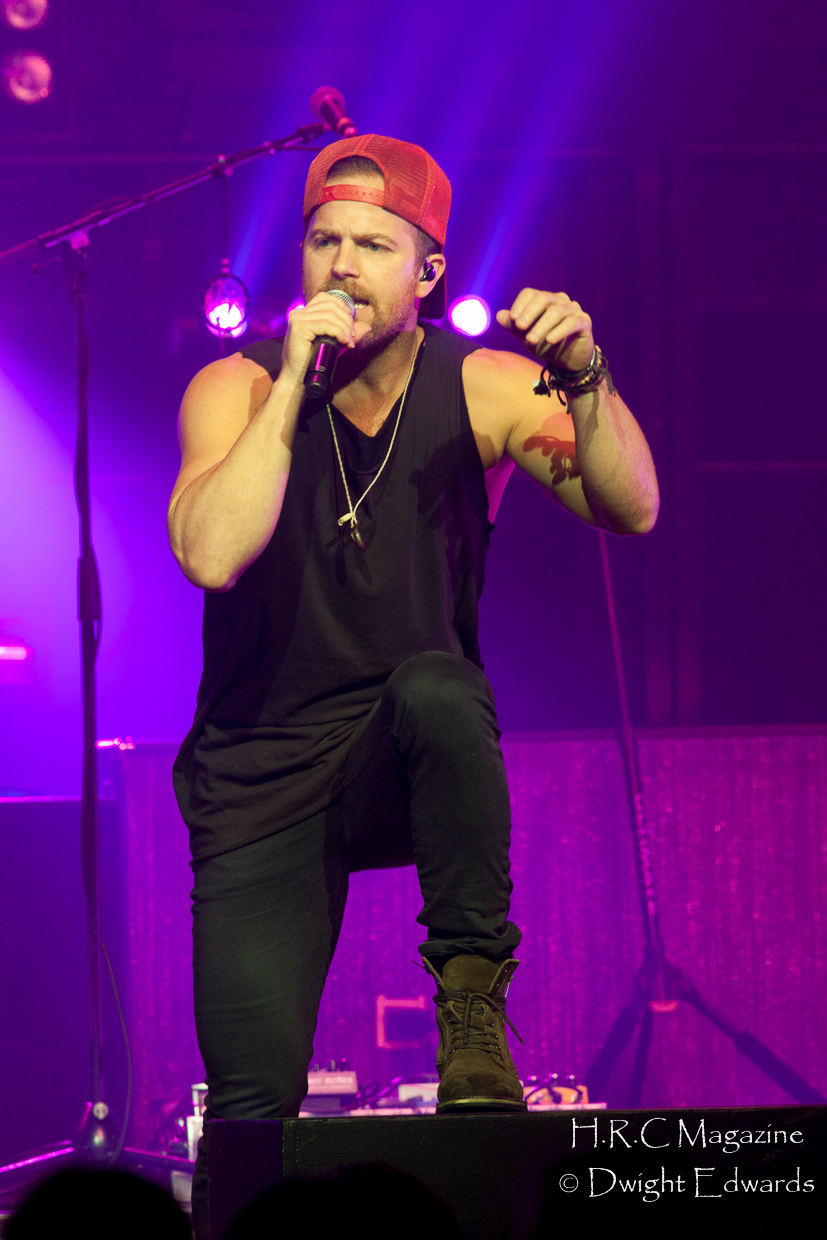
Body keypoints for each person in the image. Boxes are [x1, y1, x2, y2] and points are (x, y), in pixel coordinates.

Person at [168, 133, 658, 1225]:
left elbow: (630, 507)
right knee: (248, 1111)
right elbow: (209, 554)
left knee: (439, 687)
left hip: (403, 750)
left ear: (427, 270)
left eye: (373, 245)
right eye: (322, 241)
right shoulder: (235, 388)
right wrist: (289, 387)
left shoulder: (479, 386)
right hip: (259, 772)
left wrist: (585, 378)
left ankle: (471, 1005)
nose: (342, 265)